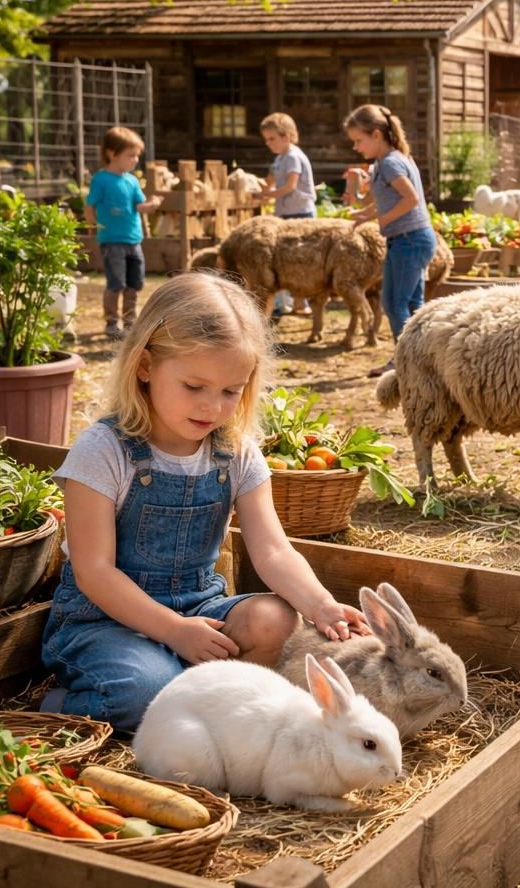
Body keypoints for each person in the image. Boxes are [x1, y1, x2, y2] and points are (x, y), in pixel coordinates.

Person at [39, 273, 369, 733]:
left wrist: (321, 605)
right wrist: (172, 631)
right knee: (146, 691)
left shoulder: (236, 453)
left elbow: (273, 551)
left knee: (275, 620)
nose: (212, 407)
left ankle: (199, 704)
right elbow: (95, 572)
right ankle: (64, 705)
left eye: (231, 391)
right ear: (145, 366)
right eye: (194, 387)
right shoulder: (104, 451)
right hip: (105, 622)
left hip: (199, 607)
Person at [343, 104, 437, 378]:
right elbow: (391, 199)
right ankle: (421, 359)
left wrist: (383, 219)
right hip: (410, 239)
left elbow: (410, 199)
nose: (356, 147)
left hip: (410, 240)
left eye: (358, 140)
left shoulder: (390, 163)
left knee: (395, 303)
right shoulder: (392, 160)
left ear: (376, 134)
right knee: (413, 305)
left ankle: (405, 362)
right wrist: (367, 214)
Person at [86, 127, 162, 339]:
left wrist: (152, 204)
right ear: (112, 154)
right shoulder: (101, 179)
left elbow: (139, 206)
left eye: (137, 155)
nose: (135, 160)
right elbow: (89, 205)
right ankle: (112, 321)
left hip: (133, 240)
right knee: (116, 282)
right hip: (112, 241)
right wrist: (93, 225)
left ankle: (130, 321)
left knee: (134, 282)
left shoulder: (132, 181)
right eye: (131, 155)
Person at [257, 112, 317, 317]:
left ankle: (303, 301)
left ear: (286, 137)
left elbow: (291, 185)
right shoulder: (280, 158)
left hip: (300, 212)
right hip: (286, 212)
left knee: (300, 258)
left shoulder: (293, 156)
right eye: (266, 139)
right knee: (284, 259)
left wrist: (268, 195)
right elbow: (271, 179)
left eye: (271, 139)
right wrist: (263, 189)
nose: (268, 143)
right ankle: (287, 303)